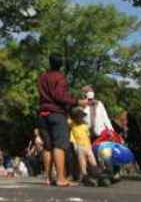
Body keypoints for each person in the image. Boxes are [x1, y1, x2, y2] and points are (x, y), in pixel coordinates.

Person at [37, 55, 88, 187]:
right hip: (56, 114)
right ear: (61, 65)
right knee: (59, 145)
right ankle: (61, 178)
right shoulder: (60, 77)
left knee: (47, 146)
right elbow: (59, 96)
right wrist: (78, 101)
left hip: (43, 114)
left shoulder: (42, 77)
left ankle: (48, 178)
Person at [69, 107, 98, 186]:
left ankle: (97, 174)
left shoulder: (85, 125)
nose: (79, 118)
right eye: (77, 116)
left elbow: (88, 136)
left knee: (92, 159)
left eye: (81, 116)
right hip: (78, 146)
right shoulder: (72, 124)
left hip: (87, 146)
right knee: (82, 161)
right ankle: (84, 176)